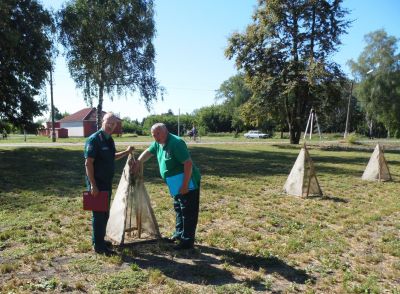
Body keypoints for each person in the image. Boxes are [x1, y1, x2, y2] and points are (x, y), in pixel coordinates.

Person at [132, 123, 201, 250]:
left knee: (188, 211)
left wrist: (185, 185)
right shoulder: (158, 142)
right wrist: (138, 162)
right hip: (175, 184)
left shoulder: (176, 143)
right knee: (179, 209)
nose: (156, 137)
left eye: (158, 134)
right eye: (153, 135)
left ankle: (187, 242)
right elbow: (148, 151)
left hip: (188, 182)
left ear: (166, 131)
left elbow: (188, 164)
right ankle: (179, 234)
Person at [84, 112, 133, 255]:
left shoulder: (109, 139)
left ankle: (98, 239)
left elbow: (112, 157)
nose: (111, 126)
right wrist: (93, 185)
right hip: (97, 184)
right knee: (99, 215)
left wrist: (126, 152)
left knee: (104, 214)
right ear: (102, 121)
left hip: (106, 183)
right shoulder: (94, 140)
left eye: (114, 124)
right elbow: (88, 163)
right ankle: (99, 247)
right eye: (108, 123)